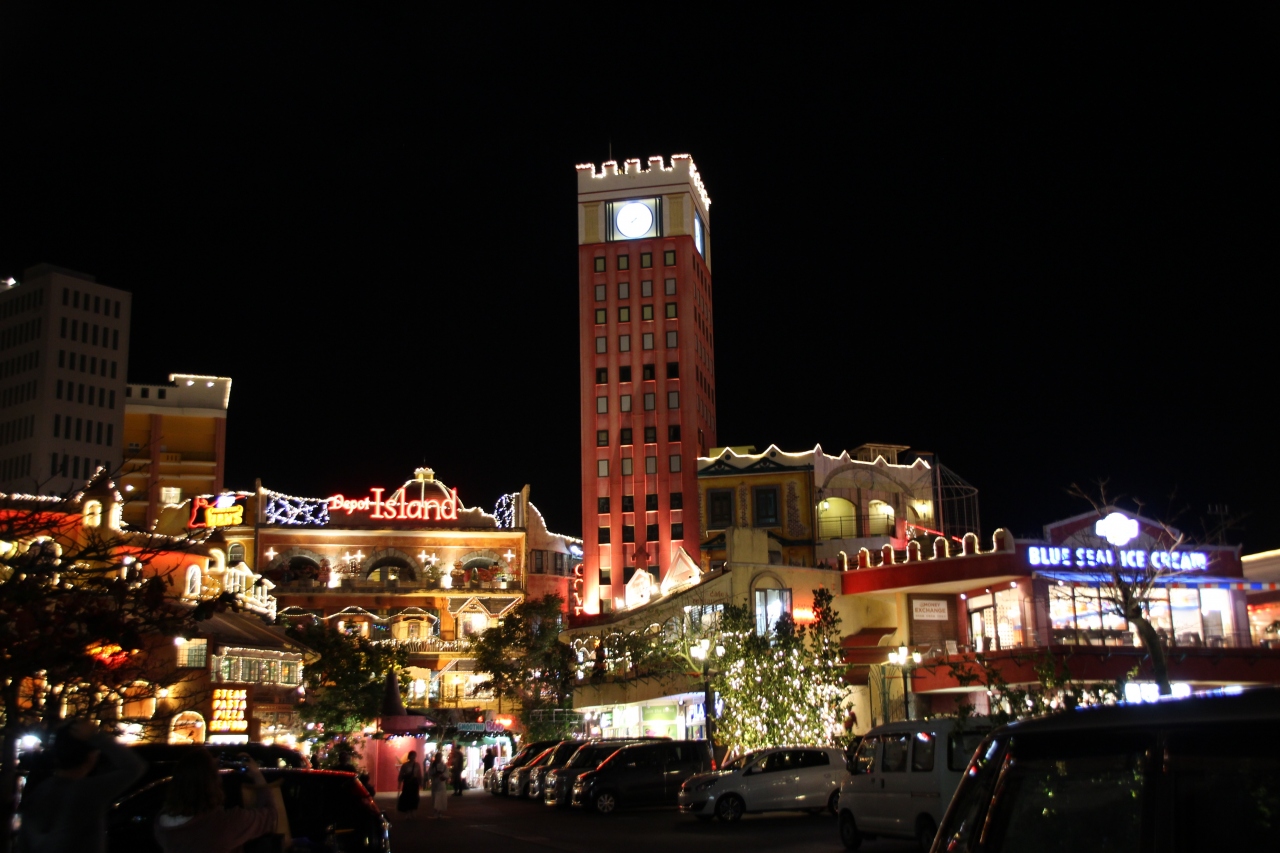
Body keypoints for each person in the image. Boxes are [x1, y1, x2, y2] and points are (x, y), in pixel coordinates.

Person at [18, 719, 147, 853]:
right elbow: (134, 767)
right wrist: (97, 737)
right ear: (92, 756)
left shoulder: (40, 791)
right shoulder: (88, 791)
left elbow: (24, 843)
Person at [153, 750, 278, 853]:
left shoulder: (162, 826)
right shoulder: (224, 824)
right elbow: (271, 816)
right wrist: (258, 776)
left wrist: (208, 769)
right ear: (213, 785)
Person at [396, 751, 422, 818]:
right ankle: (407, 812)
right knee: (407, 796)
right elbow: (401, 775)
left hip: (414, 783)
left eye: (414, 756)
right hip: (407, 782)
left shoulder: (417, 765)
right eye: (412, 756)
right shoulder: (405, 765)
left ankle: (413, 811)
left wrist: (420, 782)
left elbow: (419, 774)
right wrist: (399, 783)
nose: (413, 757)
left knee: (415, 796)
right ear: (409, 757)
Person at [428, 751, 449, 818]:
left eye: (440, 757)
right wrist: (434, 776)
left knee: (441, 798)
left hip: (441, 784)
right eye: (438, 757)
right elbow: (430, 773)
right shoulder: (432, 765)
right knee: (435, 798)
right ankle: (435, 811)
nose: (439, 758)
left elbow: (447, 774)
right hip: (435, 783)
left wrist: (443, 776)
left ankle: (439, 812)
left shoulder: (444, 765)